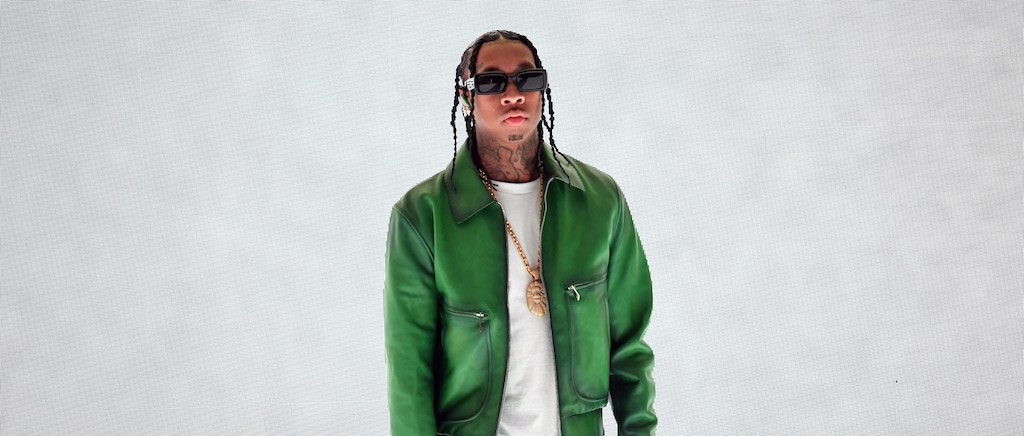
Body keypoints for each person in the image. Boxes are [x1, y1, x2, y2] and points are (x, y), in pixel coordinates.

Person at [384, 30, 656, 436]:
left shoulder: (600, 201)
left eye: (527, 78)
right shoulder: (423, 215)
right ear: (465, 97)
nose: (512, 94)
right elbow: (410, 375)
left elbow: (629, 347)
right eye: (491, 82)